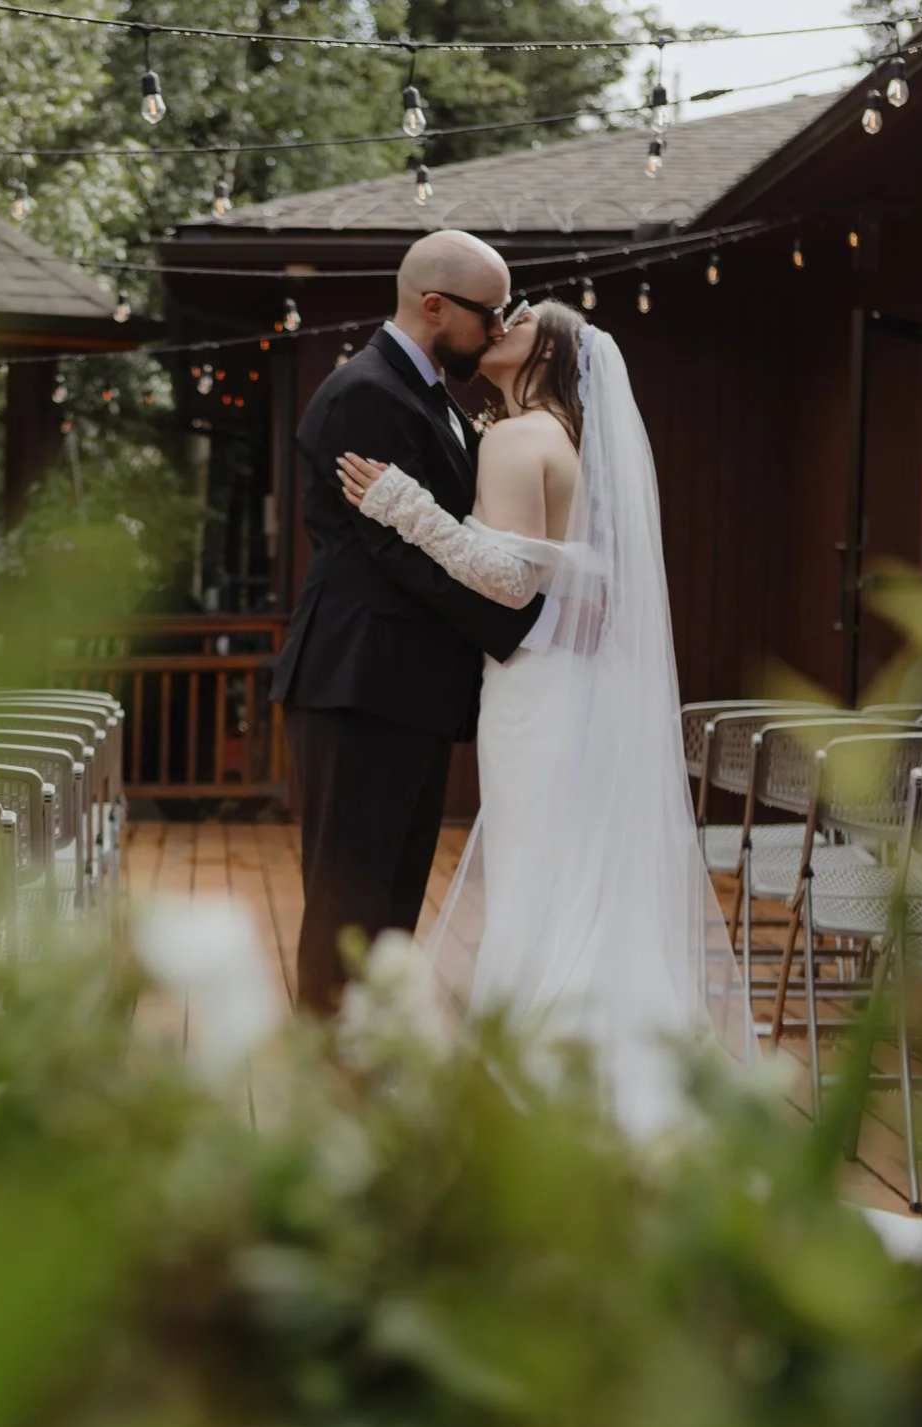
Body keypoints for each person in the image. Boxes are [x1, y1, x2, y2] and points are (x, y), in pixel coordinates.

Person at [337, 301, 755, 1135]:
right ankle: (603, 1073)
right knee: (579, 876)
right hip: (580, 690)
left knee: (541, 877)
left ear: (555, 350)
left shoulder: (515, 436)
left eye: (524, 319)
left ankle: (543, 1092)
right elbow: (577, 574)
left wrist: (403, 505)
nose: (504, 320)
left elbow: (506, 578)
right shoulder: (568, 440)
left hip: (539, 693)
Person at [272, 231, 562, 1014]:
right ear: (434, 306)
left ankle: (371, 1066)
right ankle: (328, 1077)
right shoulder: (366, 393)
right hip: (361, 683)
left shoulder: (434, 393)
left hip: (408, 688)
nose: (498, 329)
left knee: (391, 904)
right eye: (488, 313)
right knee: (349, 903)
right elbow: (396, 550)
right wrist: (522, 628)